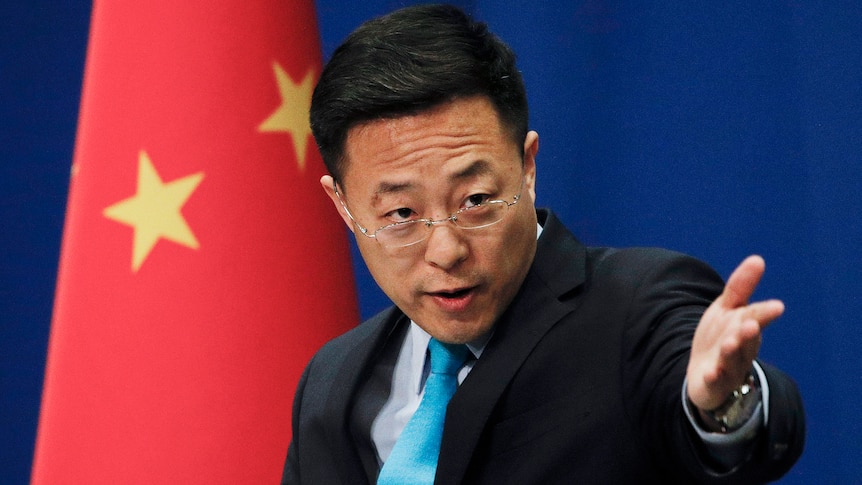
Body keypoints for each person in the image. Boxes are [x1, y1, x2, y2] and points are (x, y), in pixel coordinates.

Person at [282, 4, 804, 484]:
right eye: (401, 213)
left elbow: (709, 400)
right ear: (345, 208)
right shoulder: (330, 381)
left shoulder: (637, 310)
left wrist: (724, 403)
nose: (446, 250)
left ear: (527, 168)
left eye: (475, 199)